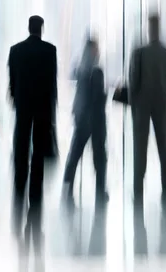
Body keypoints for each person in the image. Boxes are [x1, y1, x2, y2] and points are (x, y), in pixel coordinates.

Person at [8, 15, 57, 252]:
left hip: (23, 110)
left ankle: (18, 195)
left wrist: (18, 100)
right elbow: (52, 86)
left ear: (29, 28)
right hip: (42, 113)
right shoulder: (50, 51)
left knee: (21, 156)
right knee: (37, 160)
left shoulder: (15, 51)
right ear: (42, 29)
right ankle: (34, 209)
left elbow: (12, 84)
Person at [128, 13, 166, 205]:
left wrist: (133, 102)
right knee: (164, 145)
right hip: (161, 102)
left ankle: (138, 186)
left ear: (148, 28)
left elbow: (133, 79)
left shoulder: (139, 52)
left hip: (142, 105)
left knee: (140, 146)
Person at [61, 37, 108, 209]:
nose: (99, 51)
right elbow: (98, 98)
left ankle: (66, 190)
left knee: (74, 156)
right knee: (100, 158)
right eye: (97, 48)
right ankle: (100, 191)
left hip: (81, 119)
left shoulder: (79, 69)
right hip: (95, 121)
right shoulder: (97, 72)